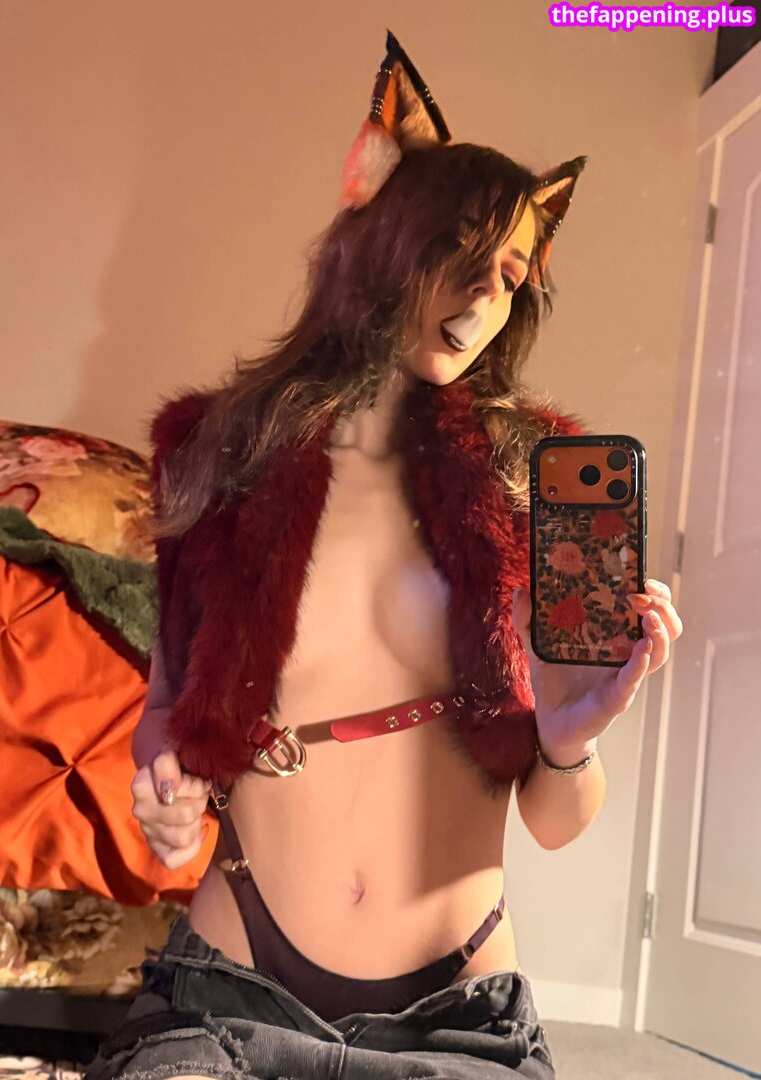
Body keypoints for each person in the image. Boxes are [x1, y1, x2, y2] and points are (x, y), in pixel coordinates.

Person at [84, 31, 682, 1080]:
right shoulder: (220, 448)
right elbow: (167, 714)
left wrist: (571, 740)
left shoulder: (527, 479)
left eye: (510, 274)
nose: (484, 296)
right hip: (231, 986)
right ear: (386, 243)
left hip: (460, 1013)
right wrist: (166, 797)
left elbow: (553, 824)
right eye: (460, 253)